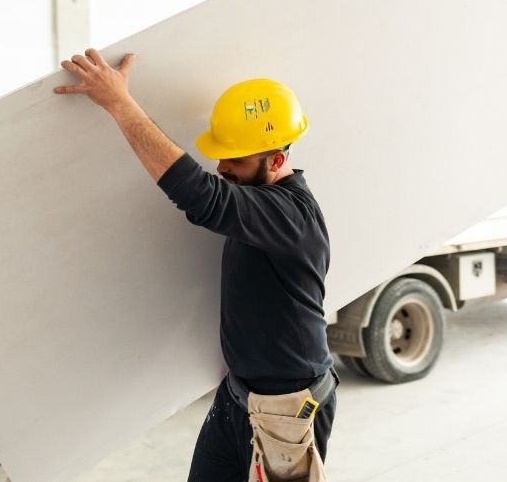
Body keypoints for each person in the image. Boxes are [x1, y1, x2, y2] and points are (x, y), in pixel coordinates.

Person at [54, 48, 336, 482]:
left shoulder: (288, 216)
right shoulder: (266, 207)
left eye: (236, 160)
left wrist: (119, 102)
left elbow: (200, 196)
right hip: (240, 396)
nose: (222, 167)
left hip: (287, 411)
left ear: (277, 160)